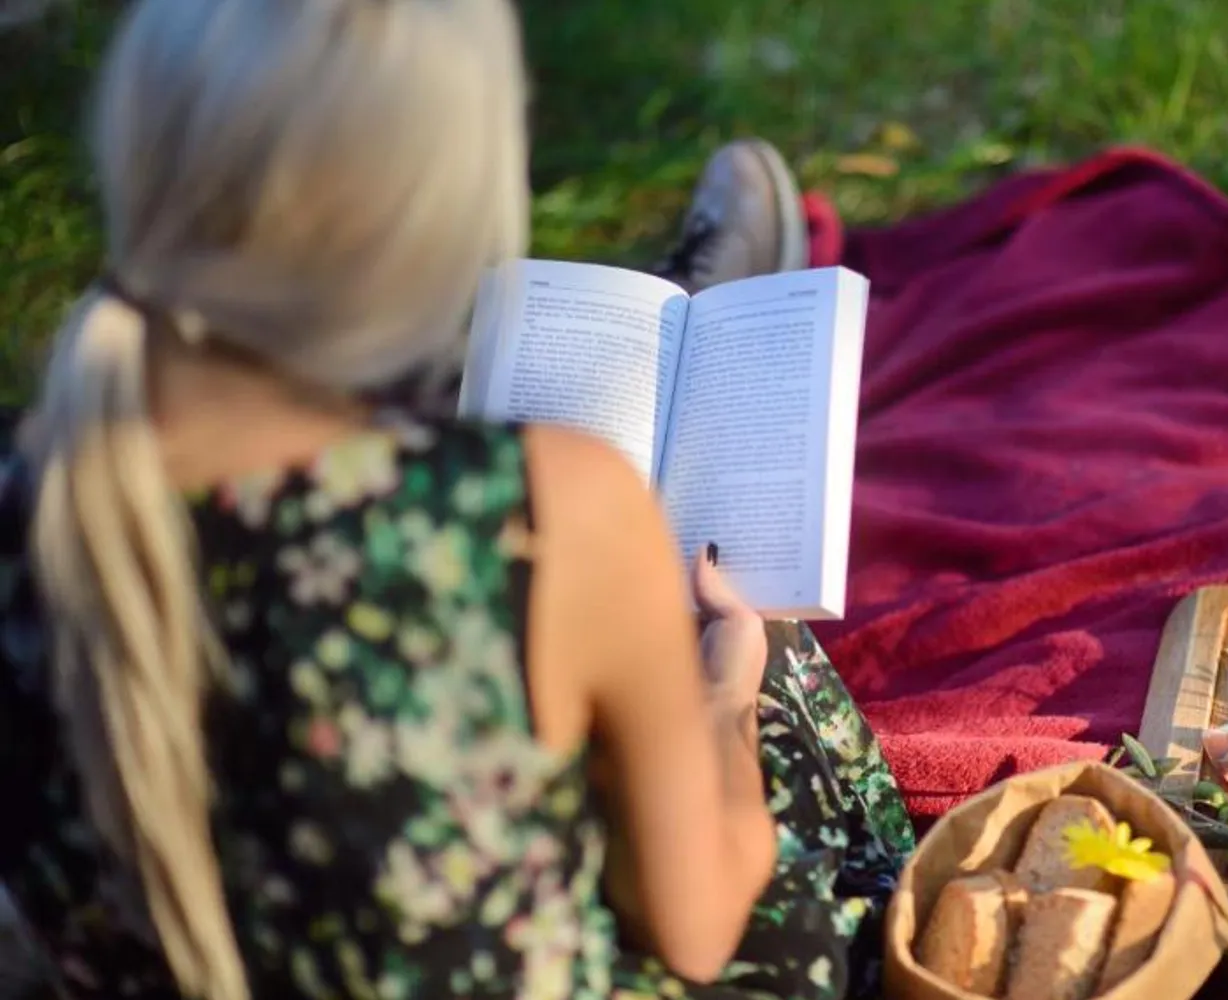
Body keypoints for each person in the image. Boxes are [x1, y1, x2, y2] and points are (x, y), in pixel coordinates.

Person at [0, 1, 913, 999]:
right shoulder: (533, 512)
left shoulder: (39, 484)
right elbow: (695, 927)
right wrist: (725, 701)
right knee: (742, 650)